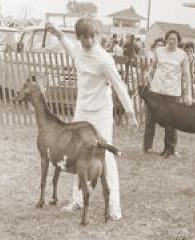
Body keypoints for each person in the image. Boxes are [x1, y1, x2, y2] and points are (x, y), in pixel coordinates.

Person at [46, 18, 138, 220]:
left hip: (102, 113)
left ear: (97, 34)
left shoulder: (104, 59)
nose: (89, 40)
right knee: (76, 153)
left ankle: (114, 208)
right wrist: (57, 32)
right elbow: (68, 45)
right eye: (85, 37)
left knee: (106, 157)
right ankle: (77, 201)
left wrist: (130, 113)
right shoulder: (78, 50)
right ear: (78, 37)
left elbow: (119, 85)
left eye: (92, 35)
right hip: (82, 110)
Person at [143, 29, 193, 157]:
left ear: (178, 41)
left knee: (173, 122)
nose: (171, 41)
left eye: (174, 39)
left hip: (173, 93)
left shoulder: (182, 55)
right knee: (150, 119)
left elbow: (187, 75)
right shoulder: (159, 51)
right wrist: (148, 76)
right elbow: (153, 67)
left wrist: (188, 94)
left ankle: (171, 149)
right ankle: (147, 147)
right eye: (169, 39)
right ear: (166, 40)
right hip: (156, 91)